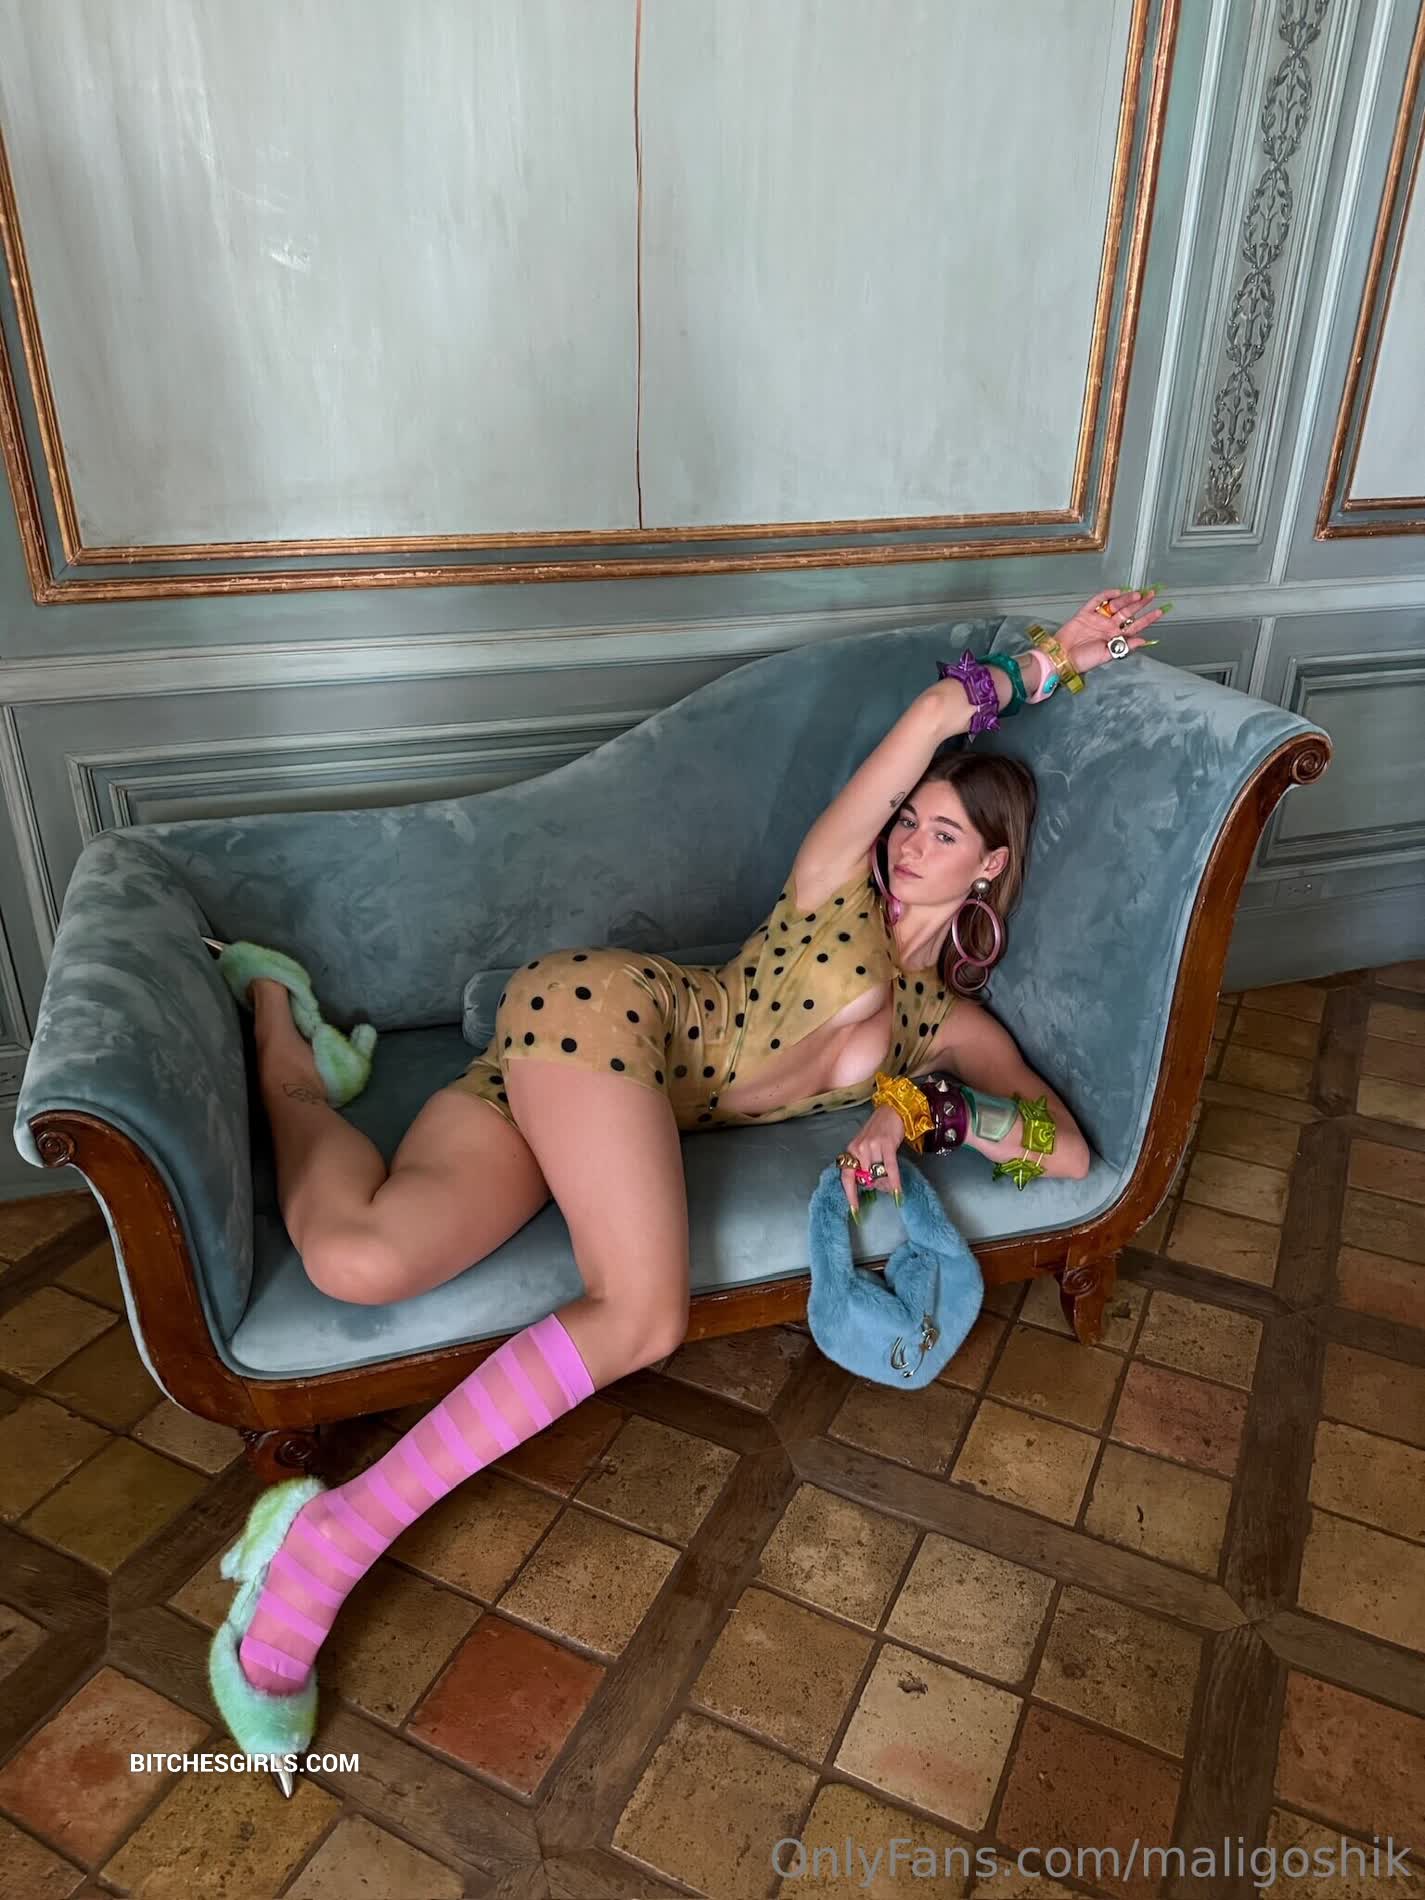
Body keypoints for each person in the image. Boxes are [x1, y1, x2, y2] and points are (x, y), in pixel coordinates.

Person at [212, 585, 1167, 1770]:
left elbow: (1066, 1149)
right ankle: (331, 1541)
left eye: (942, 836)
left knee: (357, 1254)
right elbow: (932, 714)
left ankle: (285, 1029)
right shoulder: (830, 882)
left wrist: (931, 1109)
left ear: (992, 867)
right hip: (605, 1014)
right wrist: (1049, 661)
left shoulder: (946, 1023)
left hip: (581, 1101)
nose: (909, 844)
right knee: (643, 1312)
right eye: (911, 821)